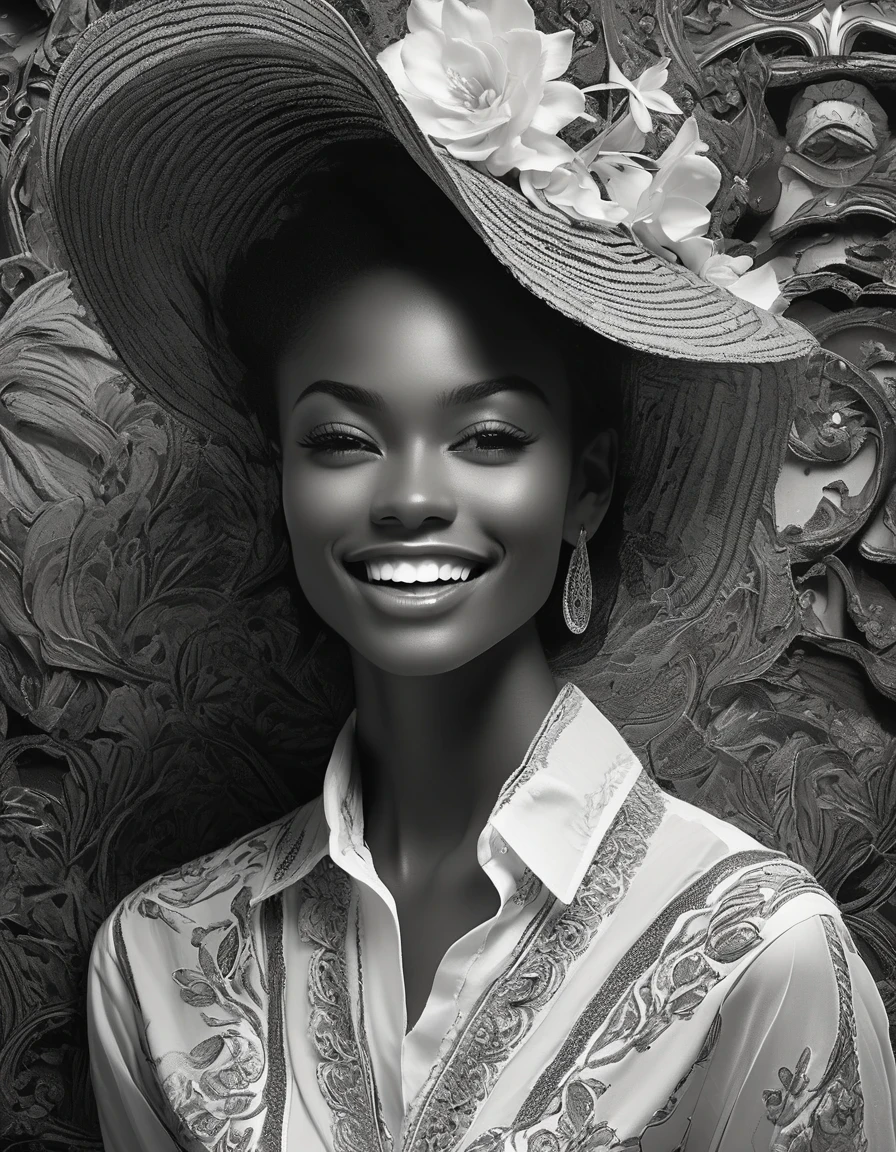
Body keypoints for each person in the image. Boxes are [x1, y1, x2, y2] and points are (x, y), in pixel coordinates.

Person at [40, 0, 896, 1148]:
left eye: (487, 437)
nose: (408, 495)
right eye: (342, 440)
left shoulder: (755, 958)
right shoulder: (158, 959)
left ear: (583, 485)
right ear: (283, 476)